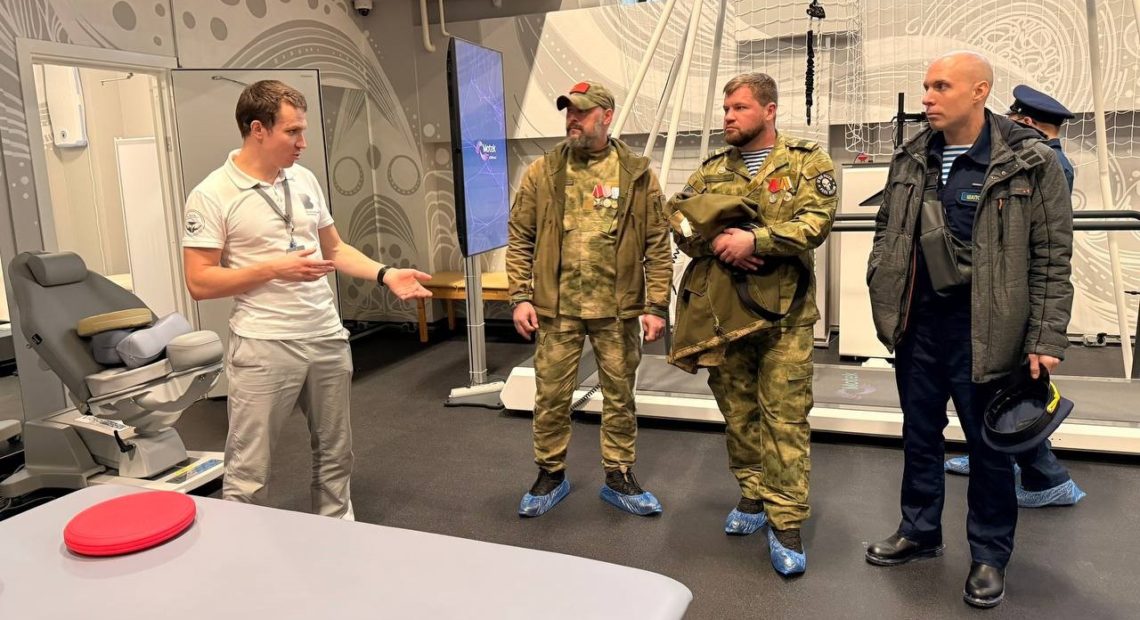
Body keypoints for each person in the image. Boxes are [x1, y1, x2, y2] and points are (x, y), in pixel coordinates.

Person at [864, 52, 1074, 608]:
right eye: (926, 86)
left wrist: (1045, 338)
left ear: (979, 91)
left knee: (989, 449)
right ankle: (919, 530)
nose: (927, 97)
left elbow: (1052, 257)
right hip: (918, 327)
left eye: (941, 86)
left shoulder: (1029, 161)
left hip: (990, 331)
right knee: (919, 435)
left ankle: (988, 555)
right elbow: (888, 228)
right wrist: (881, 278)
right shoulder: (911, 156)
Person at [182, 80, 432, 519]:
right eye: (293, 131)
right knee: (249, 470)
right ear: (258, 130)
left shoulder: (303, 179)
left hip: (325, 337)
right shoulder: (212, 193)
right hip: (264, 344)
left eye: (303, 130)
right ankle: (237, 550)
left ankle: (337, 539)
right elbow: (199, 281)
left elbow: (334, 249)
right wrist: (274, 269)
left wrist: (385, 273)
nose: (303, 142)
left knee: (336, 456)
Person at [666, 72, 837, 576]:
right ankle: (753, 493)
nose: (729, 117)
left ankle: (786, 522)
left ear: (769, 110)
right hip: (726, 318)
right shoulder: (711, 170)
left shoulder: (807, 161)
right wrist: (719, 242)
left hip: (785, 319)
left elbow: (816, 222)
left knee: (784, 418)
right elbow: (679, 220)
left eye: (739, 108)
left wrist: (755, 241)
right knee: (739, 413)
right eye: (726, 109)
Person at [506, 81, 671, 518]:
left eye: (581, 112)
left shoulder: (636, 174)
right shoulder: (543, 171)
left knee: (620, 396)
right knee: (550, 396)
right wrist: (520, 296)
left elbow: (657, 243)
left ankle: (619, 475)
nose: (572, 119)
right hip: (556, 309)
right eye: (569, 112)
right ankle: (550, 473)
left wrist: (656, 305)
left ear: (606, 116)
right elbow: (520, 237)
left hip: (617, 310)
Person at [944, 84, 1085, 509]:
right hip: (1002, 293)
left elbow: (1044, 246)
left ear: (1025, 121)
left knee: (1017, 392)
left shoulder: (1045, 163)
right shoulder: (1045, 158)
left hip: (1014, 295)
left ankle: (1048, 479)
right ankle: (992, 452)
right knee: (999, 389)